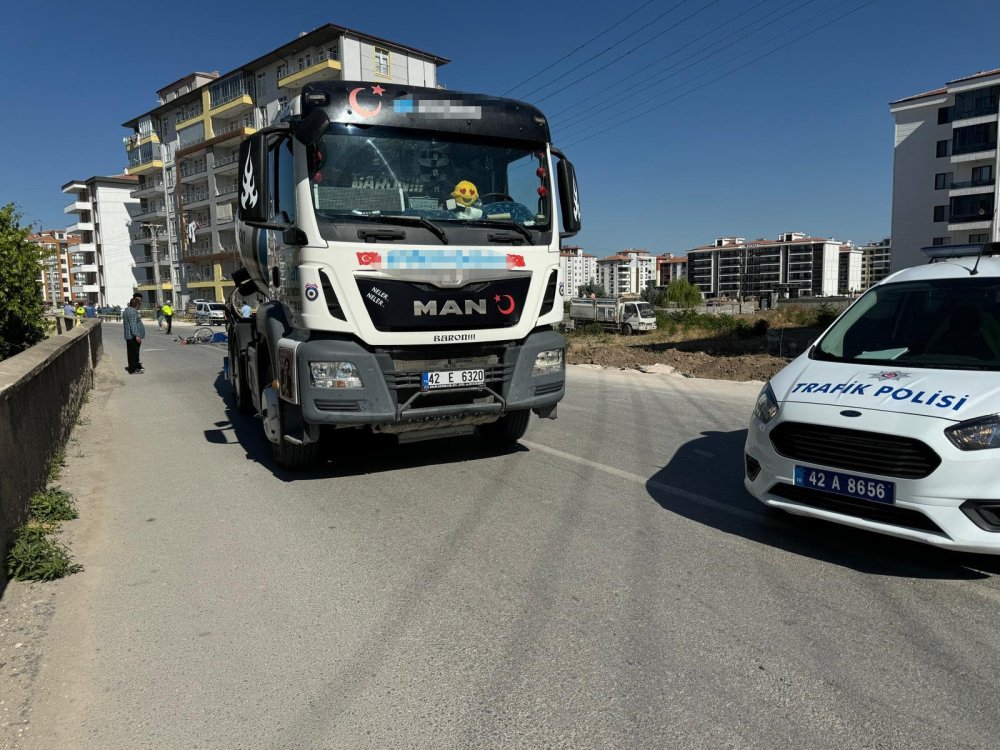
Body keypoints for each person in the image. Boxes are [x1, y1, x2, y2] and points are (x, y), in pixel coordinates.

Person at [123, 296, 146, 374]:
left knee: (133, 353)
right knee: (133, 354)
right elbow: (133, 325)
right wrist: (137, 335)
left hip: (130, 336)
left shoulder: (128, 311)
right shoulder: (132, 312)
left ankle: (134, 367)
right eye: (139, 304)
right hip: (132, 337)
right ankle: (133, 369)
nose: (140, 305)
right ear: (136, 304)